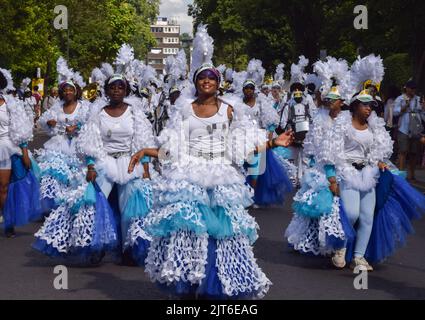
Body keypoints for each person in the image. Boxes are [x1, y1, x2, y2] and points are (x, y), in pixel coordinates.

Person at [127, 63, 293, 299]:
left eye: (212, 77)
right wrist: (146, 151)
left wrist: (273, 143)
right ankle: (188, 281)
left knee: (222, 235)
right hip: (188, 177)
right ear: (195, 82)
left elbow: (244, 150)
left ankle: (215, 283)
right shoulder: (184, 109)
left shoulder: (230, 110)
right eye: (202, 77)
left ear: (218, 83)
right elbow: (172, 150)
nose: (207, 80)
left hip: (221, 176)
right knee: (188, 232)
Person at [34, 74, 157, 266]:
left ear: (126, 91)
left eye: (120, 87)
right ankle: (94, 246)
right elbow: (90, 143)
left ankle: (128, 249)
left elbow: (144, 141)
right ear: (106, 91)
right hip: (104, 161)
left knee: (130, 209)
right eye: (112, 87)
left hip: (129, 162)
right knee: (91, 202)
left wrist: (146, 168)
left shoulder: (135, 112)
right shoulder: (98, 113)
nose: (116, 90)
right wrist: (91, 166)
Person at [37, 79, 90, 215]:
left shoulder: (84, 106)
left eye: (70, 90)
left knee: (75, 178)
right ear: (61, 92)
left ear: (75, 91)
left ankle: (70, 207)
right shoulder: (57, 106)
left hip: (78, 146)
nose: (68, 92)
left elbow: (92, 123)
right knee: (54, 176)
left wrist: (77, 127)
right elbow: (43, 120)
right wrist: (50, 122)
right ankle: (56, 208)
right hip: (58, 145)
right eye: (65, 90)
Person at [0, 68, 41, 237]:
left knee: (3, 188)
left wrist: (24, 151)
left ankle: (7, 220)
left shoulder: (11, 104)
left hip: (5, 147)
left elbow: (20, 129)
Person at [393, 80, 425, 180]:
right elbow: (395, 112)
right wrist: (404, 107)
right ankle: (401, 174)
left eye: (414, 88)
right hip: (404, 128)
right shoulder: (400, 98)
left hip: (416, 128)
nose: (413, 90)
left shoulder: (418, 99)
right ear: (406, 88)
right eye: (411, 88)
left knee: (414, 153)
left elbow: (422, 114)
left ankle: (412, 174)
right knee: (403, 151)